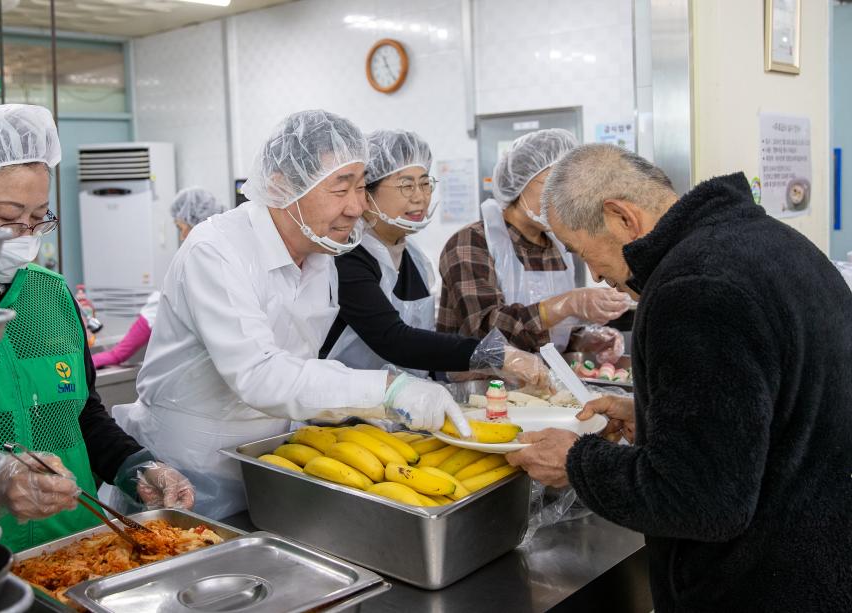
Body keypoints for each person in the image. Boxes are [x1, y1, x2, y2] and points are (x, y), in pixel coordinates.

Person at [505, 144, 852, 611]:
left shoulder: (693, 289)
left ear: (622, 218)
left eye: (584, 252)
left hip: (766, 584)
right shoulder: (769, 240)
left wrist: (578, 463)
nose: (597, 275)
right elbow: (772, 404)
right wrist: (654, 413)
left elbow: (702, 500)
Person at [114, 110, 472, 520]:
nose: (357, 207)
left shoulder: (321, 256)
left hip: (270, 465)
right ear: (283, 183)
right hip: (187, 474)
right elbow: (260, 374)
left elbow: (300, 366)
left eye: (361, 188)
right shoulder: (217, 250)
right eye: (341, 188)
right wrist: (387, 390)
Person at [0, 103, 194, 552]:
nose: (25, 235)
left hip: (75, 547)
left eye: (39, 217)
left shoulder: (51, 295)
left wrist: (136, 466)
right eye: (4, 218)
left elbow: (82, 413)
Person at [320, 129, 551, 386]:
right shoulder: (346, 257)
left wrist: (456, 371)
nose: (420, 197)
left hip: (398, 408)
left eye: (425, 183)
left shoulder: (412, 258)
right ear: (367, 192)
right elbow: (393, 340)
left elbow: (418, 347)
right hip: (341, 412)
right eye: (406, 185)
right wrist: (497, 355)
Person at [437, 129, 629, 362]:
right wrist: (568, 304)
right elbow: (485, 330)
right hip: (479, 390)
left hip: (537, 390)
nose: (563, 196)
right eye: (552, 183)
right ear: (520, 182)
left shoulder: (557, 246)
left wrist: (583, 339)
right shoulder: (472, 242)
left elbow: (550, 334)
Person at [91, 186, 223, 369]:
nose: (183, 236)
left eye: (181, 227)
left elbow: (161, 305)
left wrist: (116, 354)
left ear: (194, 223)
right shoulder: (223, 254)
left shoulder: (195, 259)